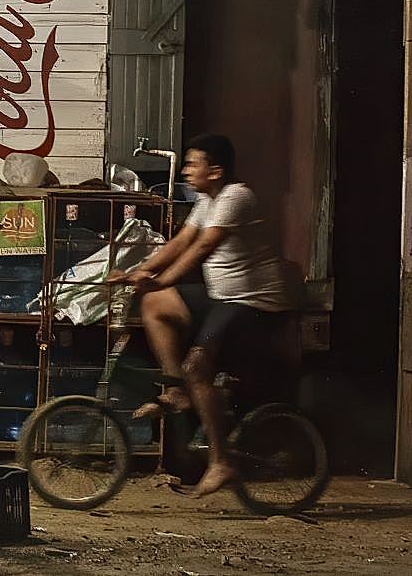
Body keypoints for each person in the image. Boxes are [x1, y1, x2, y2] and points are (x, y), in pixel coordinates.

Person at [117, 132, 294, 497]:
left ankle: (221, 461)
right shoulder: (205, 202)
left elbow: (203, 247)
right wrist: (143, 273)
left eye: (192, 163)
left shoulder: (236, 197)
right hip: (223, 299)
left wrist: (159, 278)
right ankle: (176, 389)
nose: (185, 170)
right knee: (156, 304)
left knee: (198, 366)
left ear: (215, 170)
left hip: (255, 304)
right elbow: (180, 242)